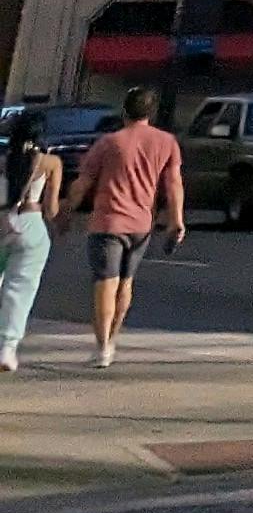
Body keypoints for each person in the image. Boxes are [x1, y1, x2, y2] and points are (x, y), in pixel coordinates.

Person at [69, 85, 185, 371]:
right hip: (141, 225)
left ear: (125, 110)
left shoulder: (109, 143)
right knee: (125, 283)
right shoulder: (167, 142)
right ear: (151, 113)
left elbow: (83, 182)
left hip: (108, 222)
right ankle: (113, 338)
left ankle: (102, 347)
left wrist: (67, 208)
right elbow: (173, 184)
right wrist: (176, 219)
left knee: (105, 283)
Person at [0, 111, 54, 371]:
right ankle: (7, 349)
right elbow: (52, 208)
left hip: (2, 222)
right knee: (20, 289)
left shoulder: (3, 161)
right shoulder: (50, 163)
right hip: (32, 224)